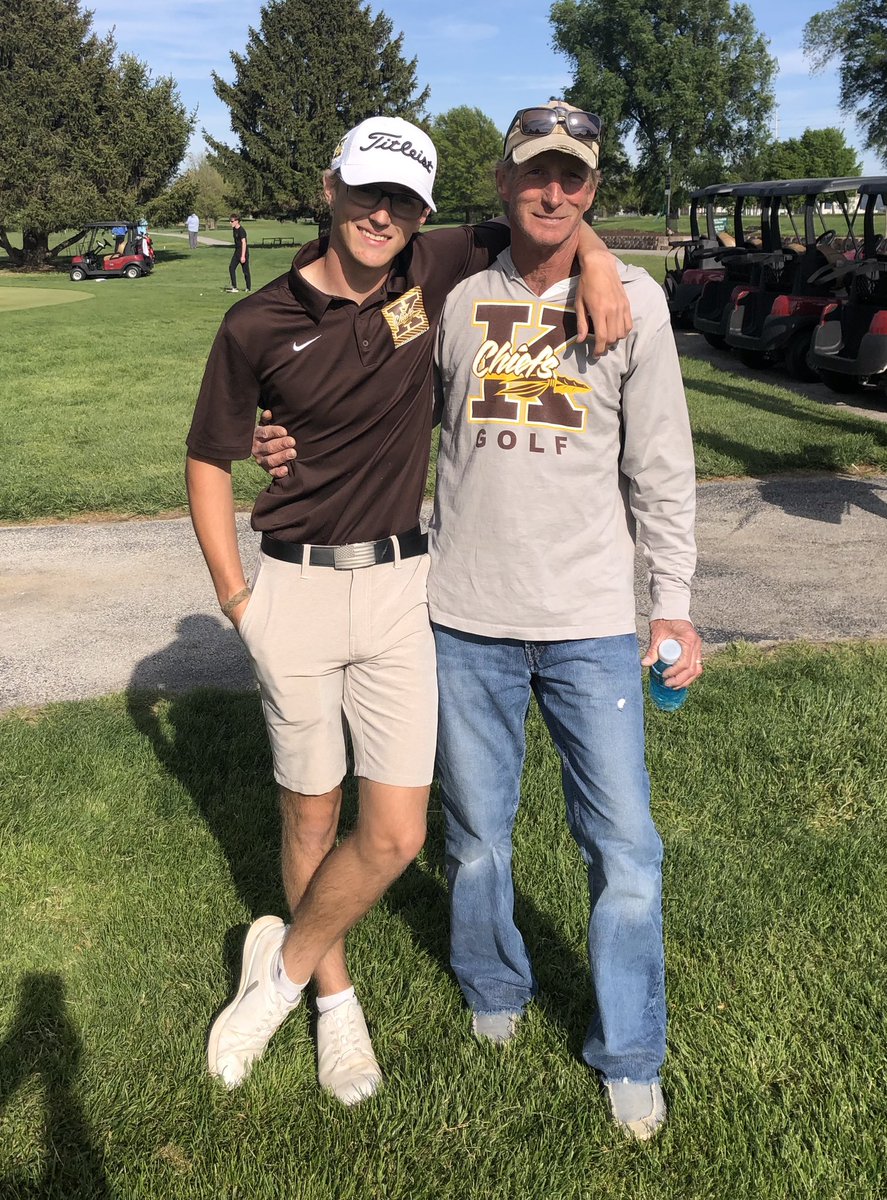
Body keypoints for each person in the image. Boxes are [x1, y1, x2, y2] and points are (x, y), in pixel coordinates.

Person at [256, 102, 700, 1138]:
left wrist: (670, 605)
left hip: (590, 622)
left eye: (573, 180)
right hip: (460, 618)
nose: (553, 193)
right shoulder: (447, 299)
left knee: (625, 848)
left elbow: (663, 471)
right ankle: (493, 986)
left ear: (591, 191)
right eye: (534, 175)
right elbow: (362, 378)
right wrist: (287, 437)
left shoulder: (632, 301)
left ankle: (629, 1049)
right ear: (501, 185)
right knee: (476, 839)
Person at [227, 215, 250, 292]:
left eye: (232, 221)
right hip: (237, 252)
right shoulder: (234, 229)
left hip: (243, 252)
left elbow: (244, 243)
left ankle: (248, 288)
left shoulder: (241, 230)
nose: (230, 223)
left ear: (237, 221)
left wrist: (243, 256)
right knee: (231, 267)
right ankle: (234, 287)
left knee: (245, 271)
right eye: (230, 221)